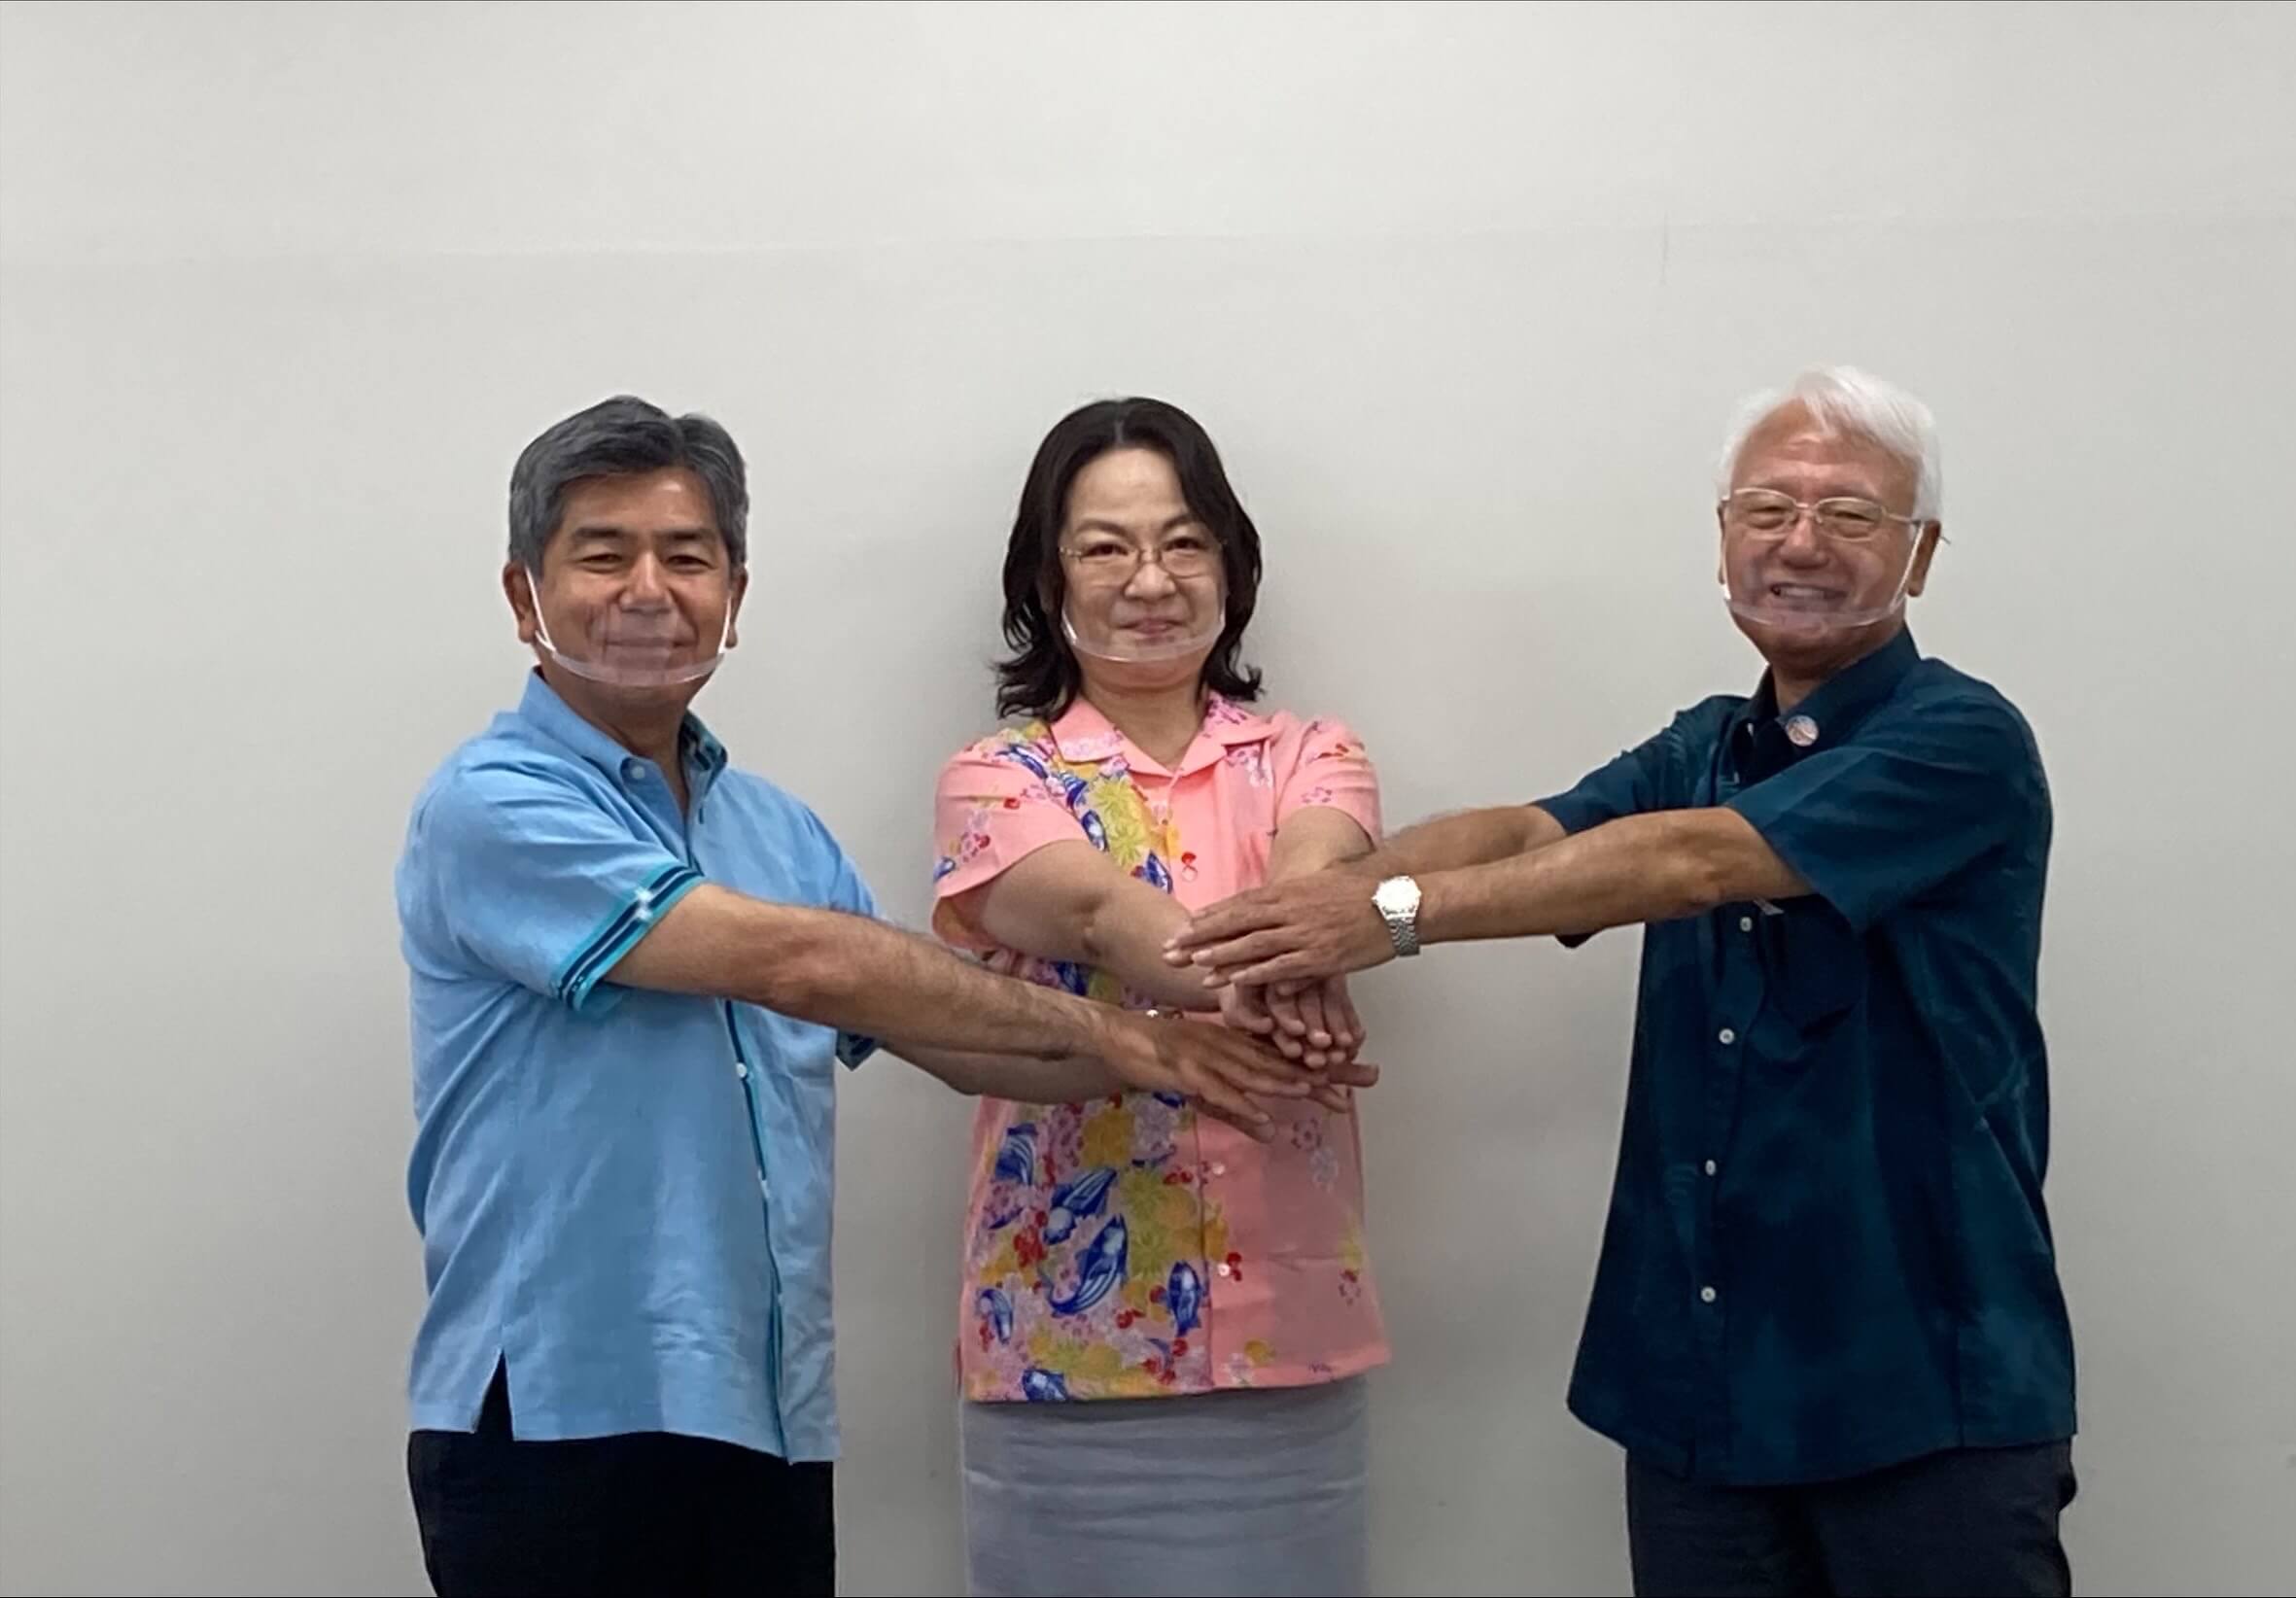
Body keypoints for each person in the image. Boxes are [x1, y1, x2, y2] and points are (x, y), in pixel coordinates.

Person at [395, 396, 1367, 1598]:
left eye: (686, 557)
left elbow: (949, 1034)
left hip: (760, 1409)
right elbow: (807, 967)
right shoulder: (492, 802)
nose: (649, 591)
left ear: (733, 596)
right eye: (604, 555)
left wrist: (1179, 1054)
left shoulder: (773, 830)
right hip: (550, 1414)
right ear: (522, 594)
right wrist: (1128, 1034)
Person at [1169, 367, 2078, 1597]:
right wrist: (1306, 922)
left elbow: (1691, 862)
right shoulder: (1704, 742)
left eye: (1848, 515)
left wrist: (1380, 919)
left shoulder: (1959, 740)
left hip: (1922, 1390)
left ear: (1917, 556)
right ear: (1721, 535)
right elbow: (1527, 835)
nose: (1798, 543)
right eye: (1766, 509)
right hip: (1698, 1389)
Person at [927, 398, 1390, 1597]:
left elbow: (1319, 883)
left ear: (1231, 565)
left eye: (1185, 542)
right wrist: (1291, 964)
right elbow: (1099, 918)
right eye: (1105, 547)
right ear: (1047, 578)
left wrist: (1314, 928)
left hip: (1288, 1343)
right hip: (1063, 1349)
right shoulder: (995, 778)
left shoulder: (1311, 753)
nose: (1150, 579)